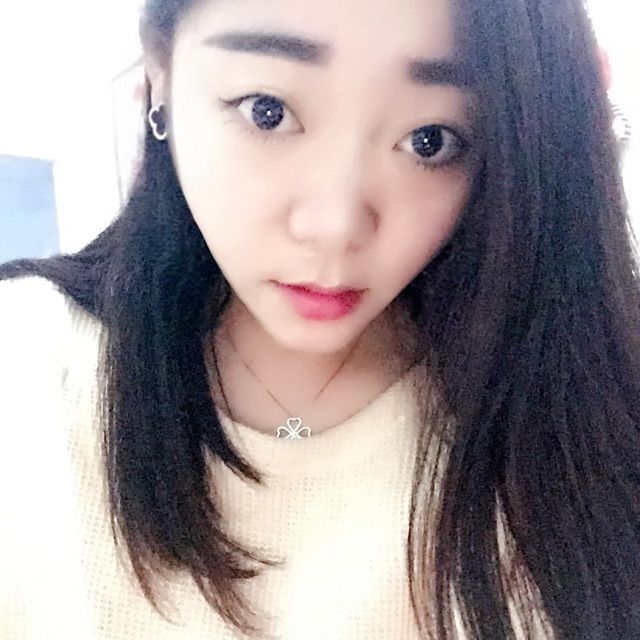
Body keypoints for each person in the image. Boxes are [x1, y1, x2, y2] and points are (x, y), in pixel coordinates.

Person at [1, 0, 639, 637]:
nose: (336, 225)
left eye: (430, 140)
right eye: (267, 111)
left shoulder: (574, 413)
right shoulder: (24, 372)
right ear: (160, 71)